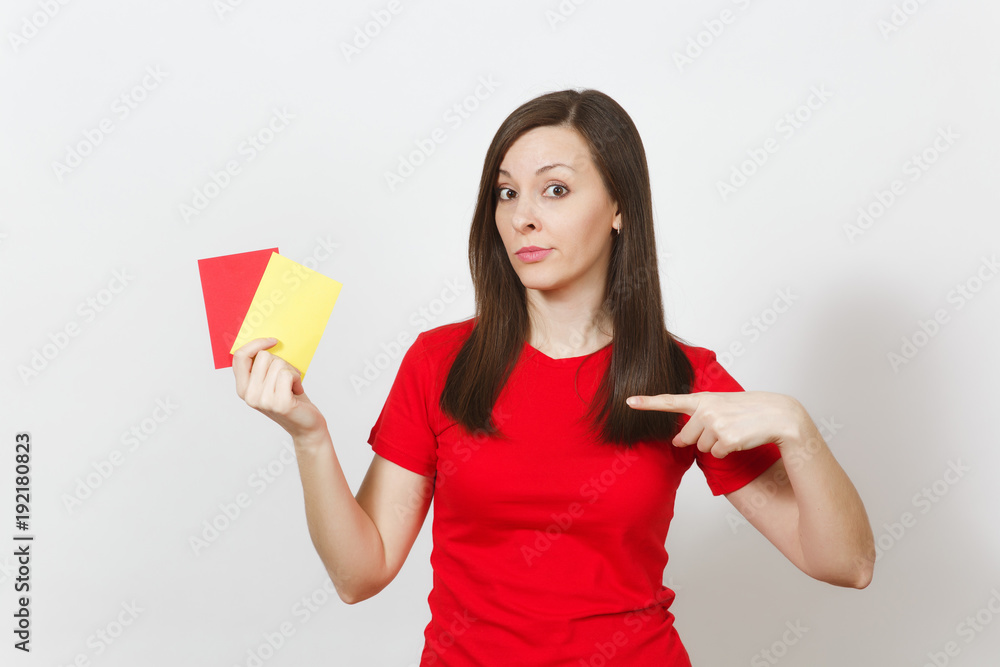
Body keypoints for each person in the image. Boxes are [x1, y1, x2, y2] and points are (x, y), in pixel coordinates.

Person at [232, 88, 875, 666]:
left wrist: (799, 429)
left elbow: (847, 565)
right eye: (506, 193)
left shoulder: (682, 378)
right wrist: (309, 437)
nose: (523, 218)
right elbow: (359, 575)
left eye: (556, 190)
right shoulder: (439, 362)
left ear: (620, 207)